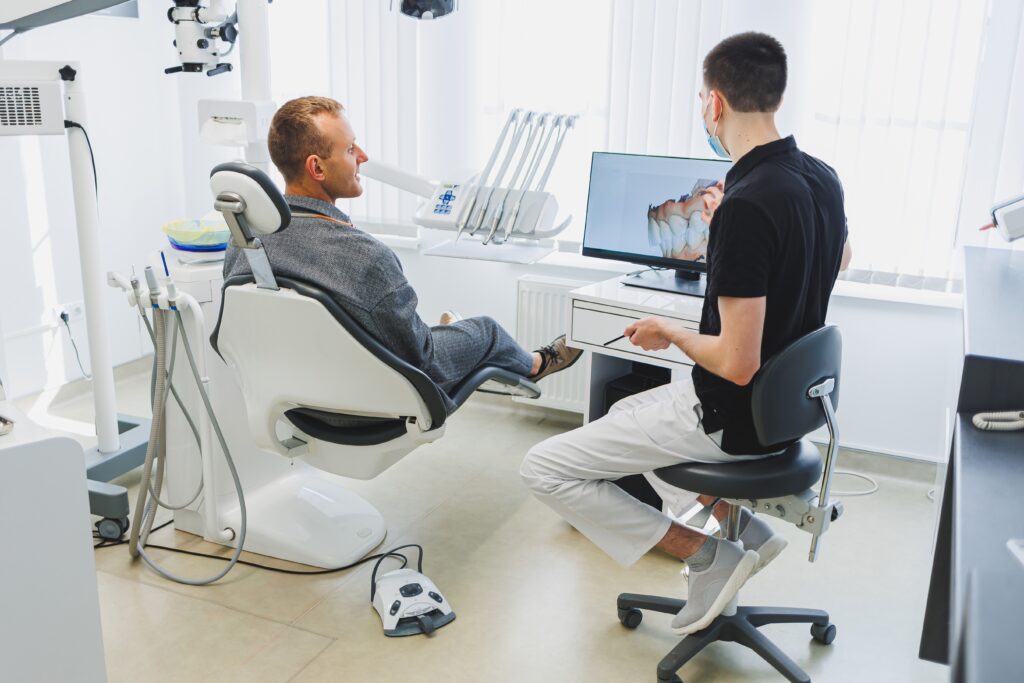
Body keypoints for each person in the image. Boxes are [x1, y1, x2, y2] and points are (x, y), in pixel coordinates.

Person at [521, 31, 853, 636]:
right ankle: (745, 528)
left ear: (716, 103)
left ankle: (707, 553)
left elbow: (737, 361)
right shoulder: (819, 177)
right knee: (627, 411)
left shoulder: (745, 205)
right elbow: (842, 256)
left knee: (544, 468)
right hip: (788, 411)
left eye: (703, 99)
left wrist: (668, 330)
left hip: (730, 412)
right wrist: (749, 234)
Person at [223, 96, 581, 405]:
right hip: (364, 402)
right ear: (316, 167)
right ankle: (535, 364)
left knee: (426, 328)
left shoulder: (245, 239)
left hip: (290, 394)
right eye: (350, 149)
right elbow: (421, 362)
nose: (363, 156)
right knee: (484, 330)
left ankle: (451, 331)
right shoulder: (365, 256)